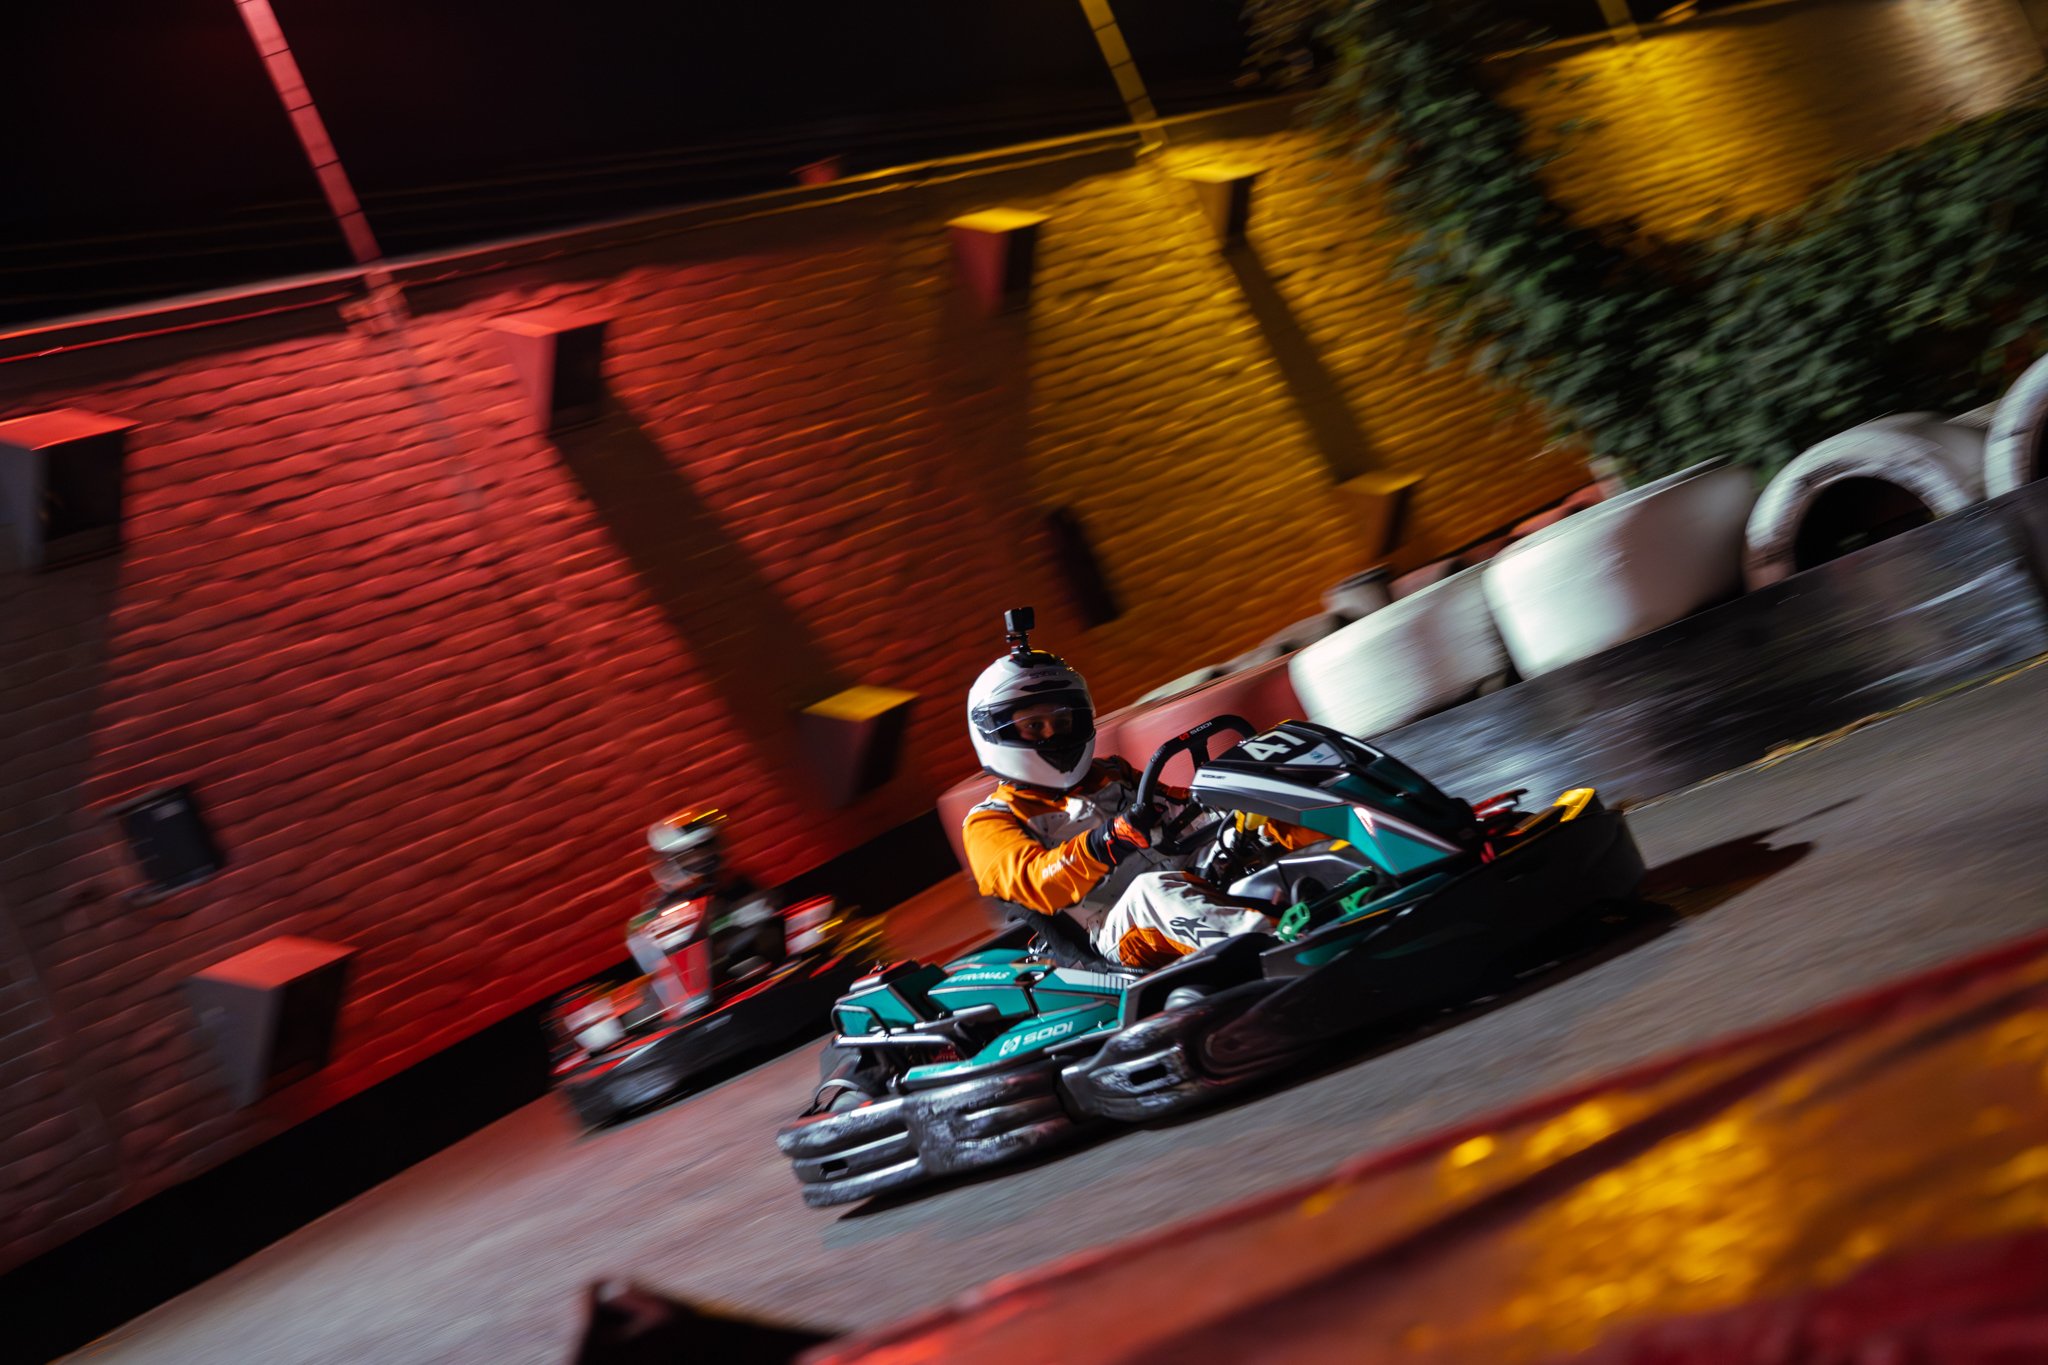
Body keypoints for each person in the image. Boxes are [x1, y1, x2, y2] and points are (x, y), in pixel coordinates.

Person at [960, 610, 1321, 970]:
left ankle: (1360, 867)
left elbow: (1185, 812)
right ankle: (1288, 948)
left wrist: (1240, 803)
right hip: (1112, 930)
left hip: (1189, 876)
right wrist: (1108, 840)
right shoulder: (990, 821)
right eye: (1034, 726)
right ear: (995, 733)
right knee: (1152, 892)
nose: (1053, 735)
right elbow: (1038, 882)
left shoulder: (1111, 773)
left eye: (1062, 721)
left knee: (1259, 817)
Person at [632, 808, 781, 1013]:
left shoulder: (737, 886)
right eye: (694, 857)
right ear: (672, 862)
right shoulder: (662, 906)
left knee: (754, 959)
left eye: (707, 851)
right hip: (688, 989)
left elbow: (768, 910)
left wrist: (739, 917)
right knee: (649, 995)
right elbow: (650, 948)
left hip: (740, 968)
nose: (704, 860)